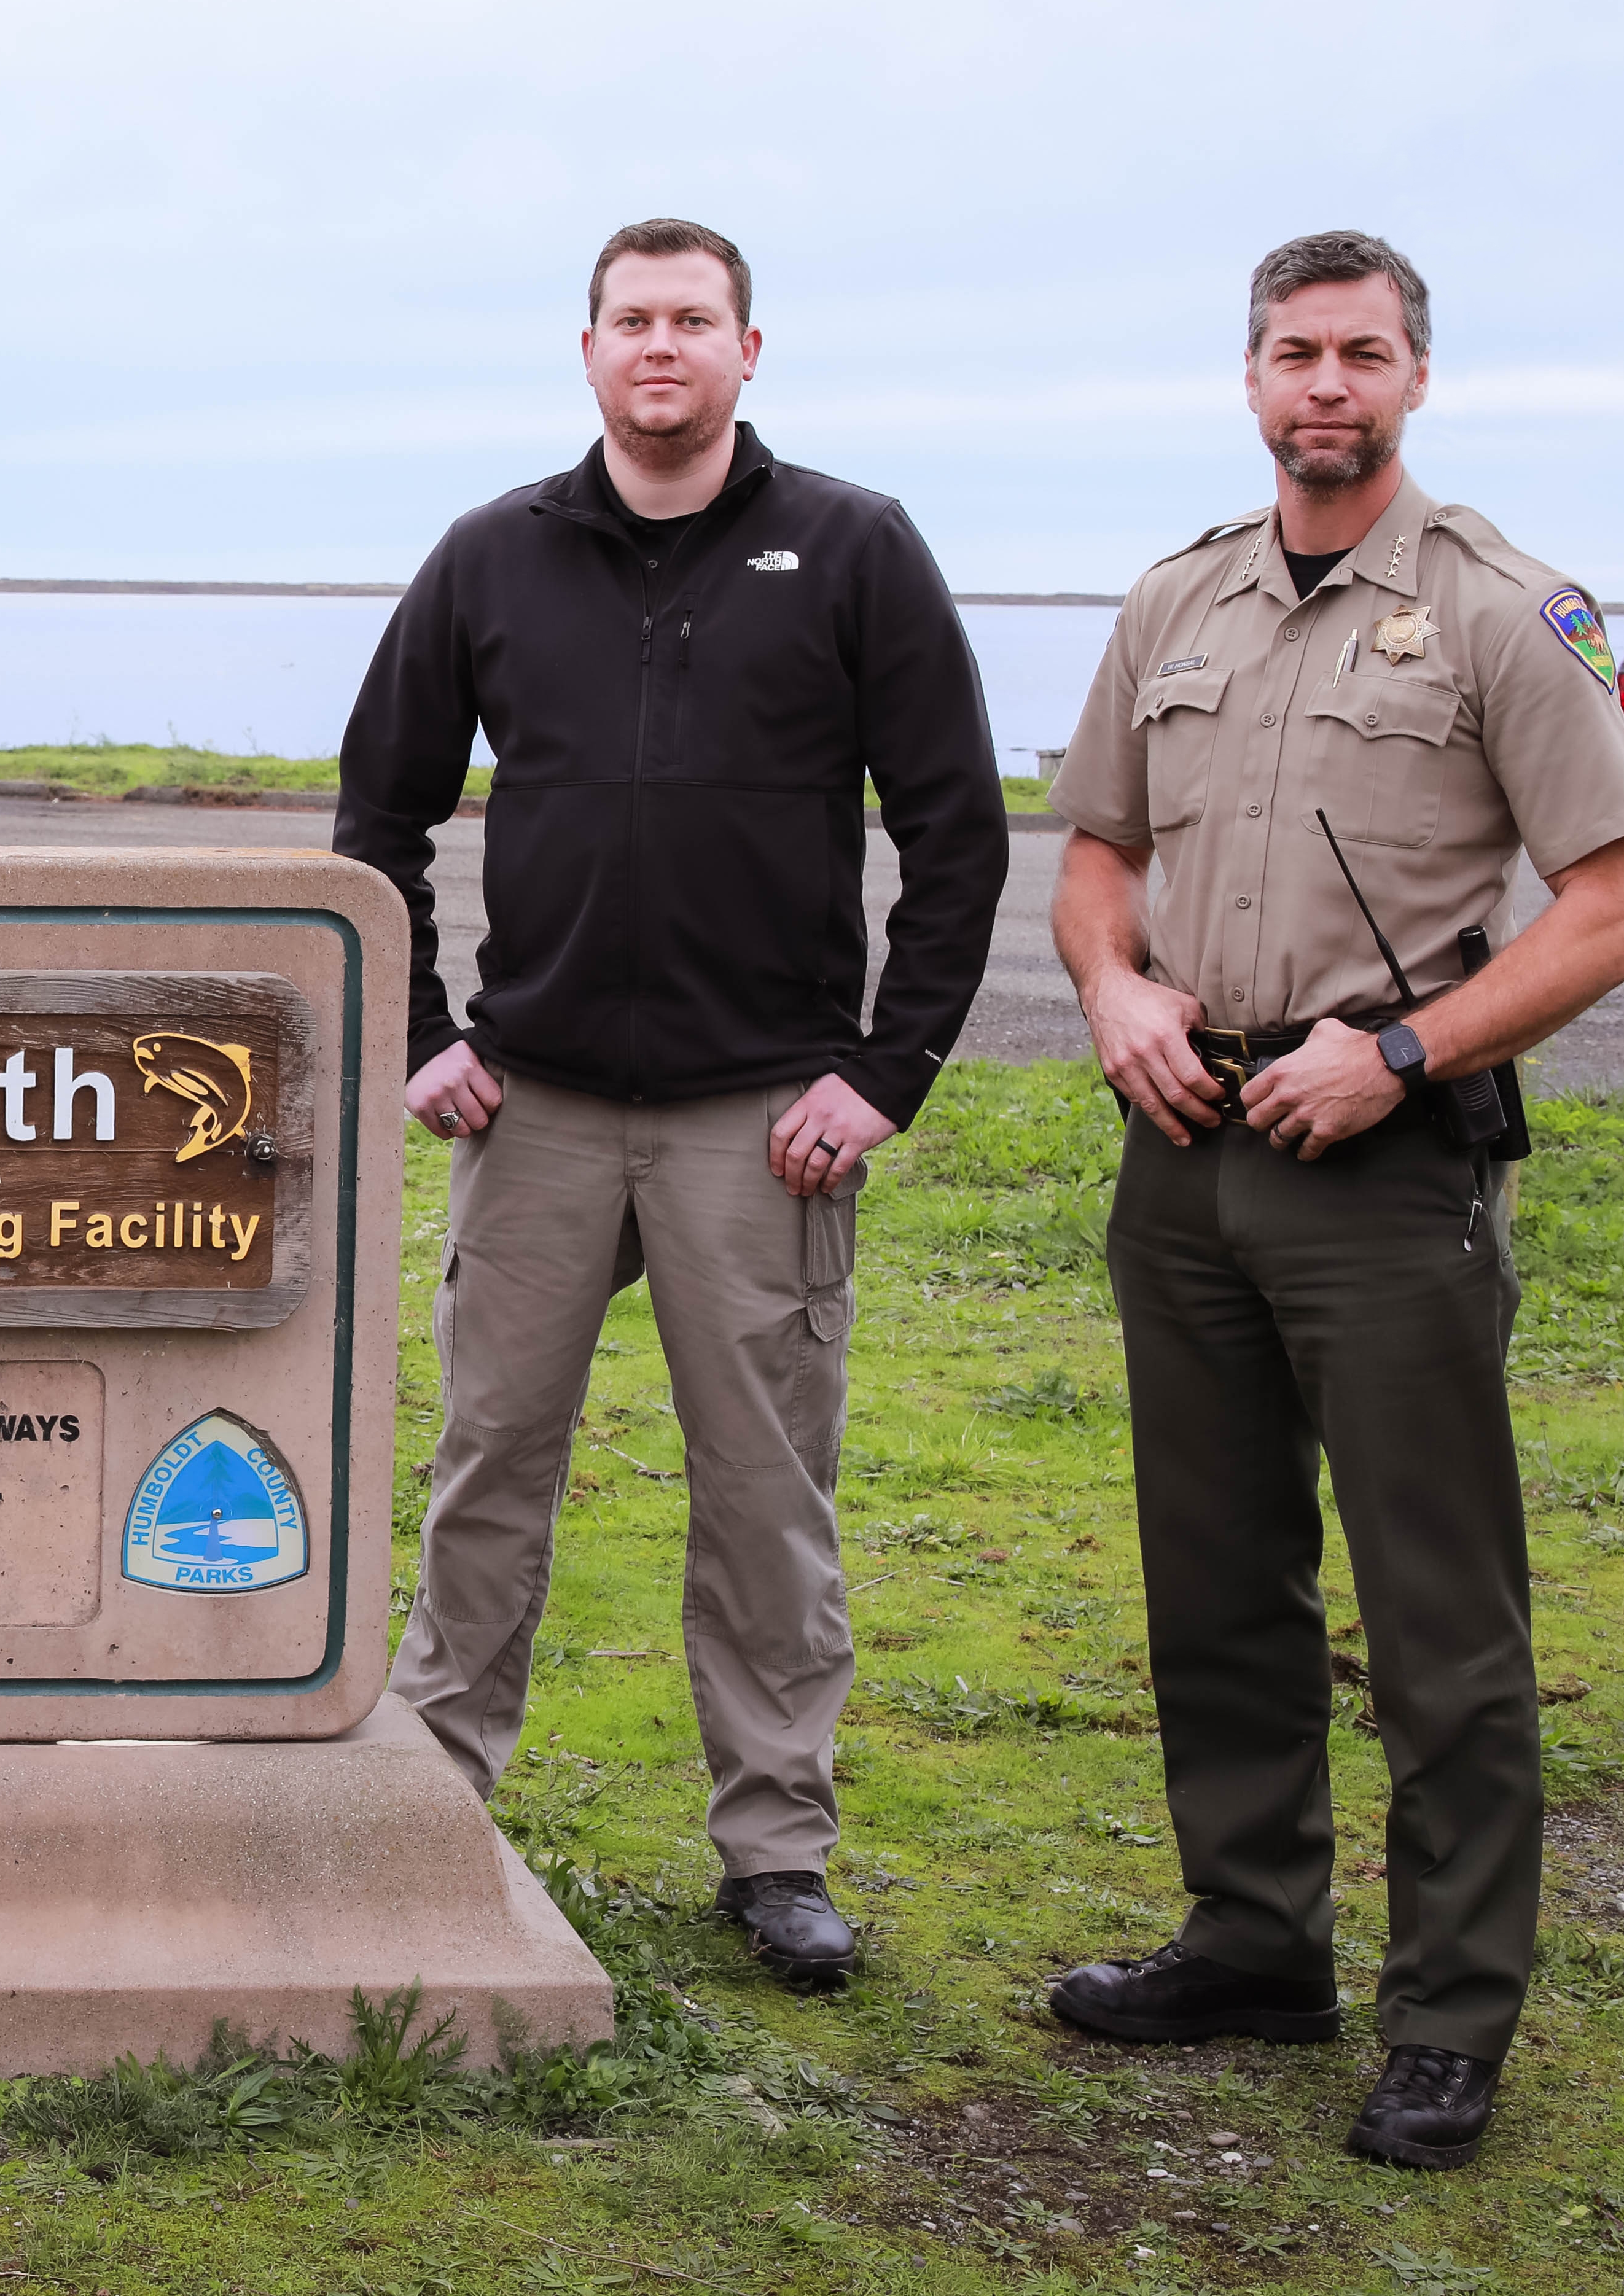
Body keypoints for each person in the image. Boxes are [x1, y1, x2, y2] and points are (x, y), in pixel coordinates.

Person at [1041, 232, 1624, 2170]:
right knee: (1213, 1583)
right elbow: (1089, 853)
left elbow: (1613, 906)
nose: (1325, 383)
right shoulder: (1175, 604)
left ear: (1410, 381)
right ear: (1246, 382)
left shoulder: (1503, 611)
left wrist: (1397, 1053)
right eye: (1293, 353)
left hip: (1378, 1159)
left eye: (1360, 354)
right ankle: (1248, 1944)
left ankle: (1447, 2016)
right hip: (1185, 1147)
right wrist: (1111, 987)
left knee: (1434, 1615)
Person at [334, 218, 1009, 1987]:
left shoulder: (853, 548)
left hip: (760, 1116)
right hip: (533, 1106)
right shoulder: (494, 555)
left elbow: (957, 830)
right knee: (490, 1464)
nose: (661, 347)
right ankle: (438, 1789)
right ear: (586, 351)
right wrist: (417, 1028)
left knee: (767, 1488)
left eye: (692, 320)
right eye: (631, 320)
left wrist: (886, 1072)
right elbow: (375, 823)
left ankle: (776, 1846)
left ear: (748, 349)